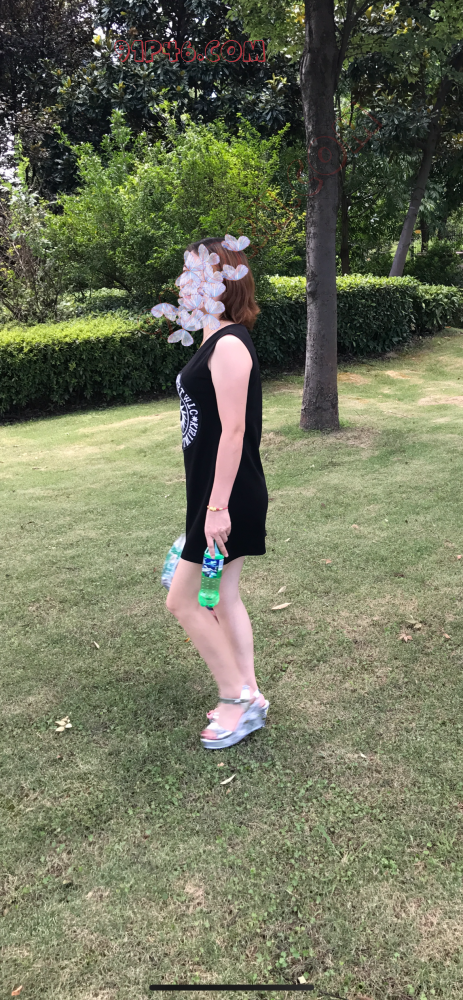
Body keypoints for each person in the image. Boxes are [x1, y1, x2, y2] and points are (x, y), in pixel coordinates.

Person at [165, 236, 270, 749]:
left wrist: (216, 509)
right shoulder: (216, 338)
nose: (183, 282)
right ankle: (250, 692)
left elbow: (234, 432)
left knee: (183, 601)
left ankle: (235, 699)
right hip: (216, 496)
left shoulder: (229, 345)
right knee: (222, 598)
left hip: (226, 499)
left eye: (194, 273)